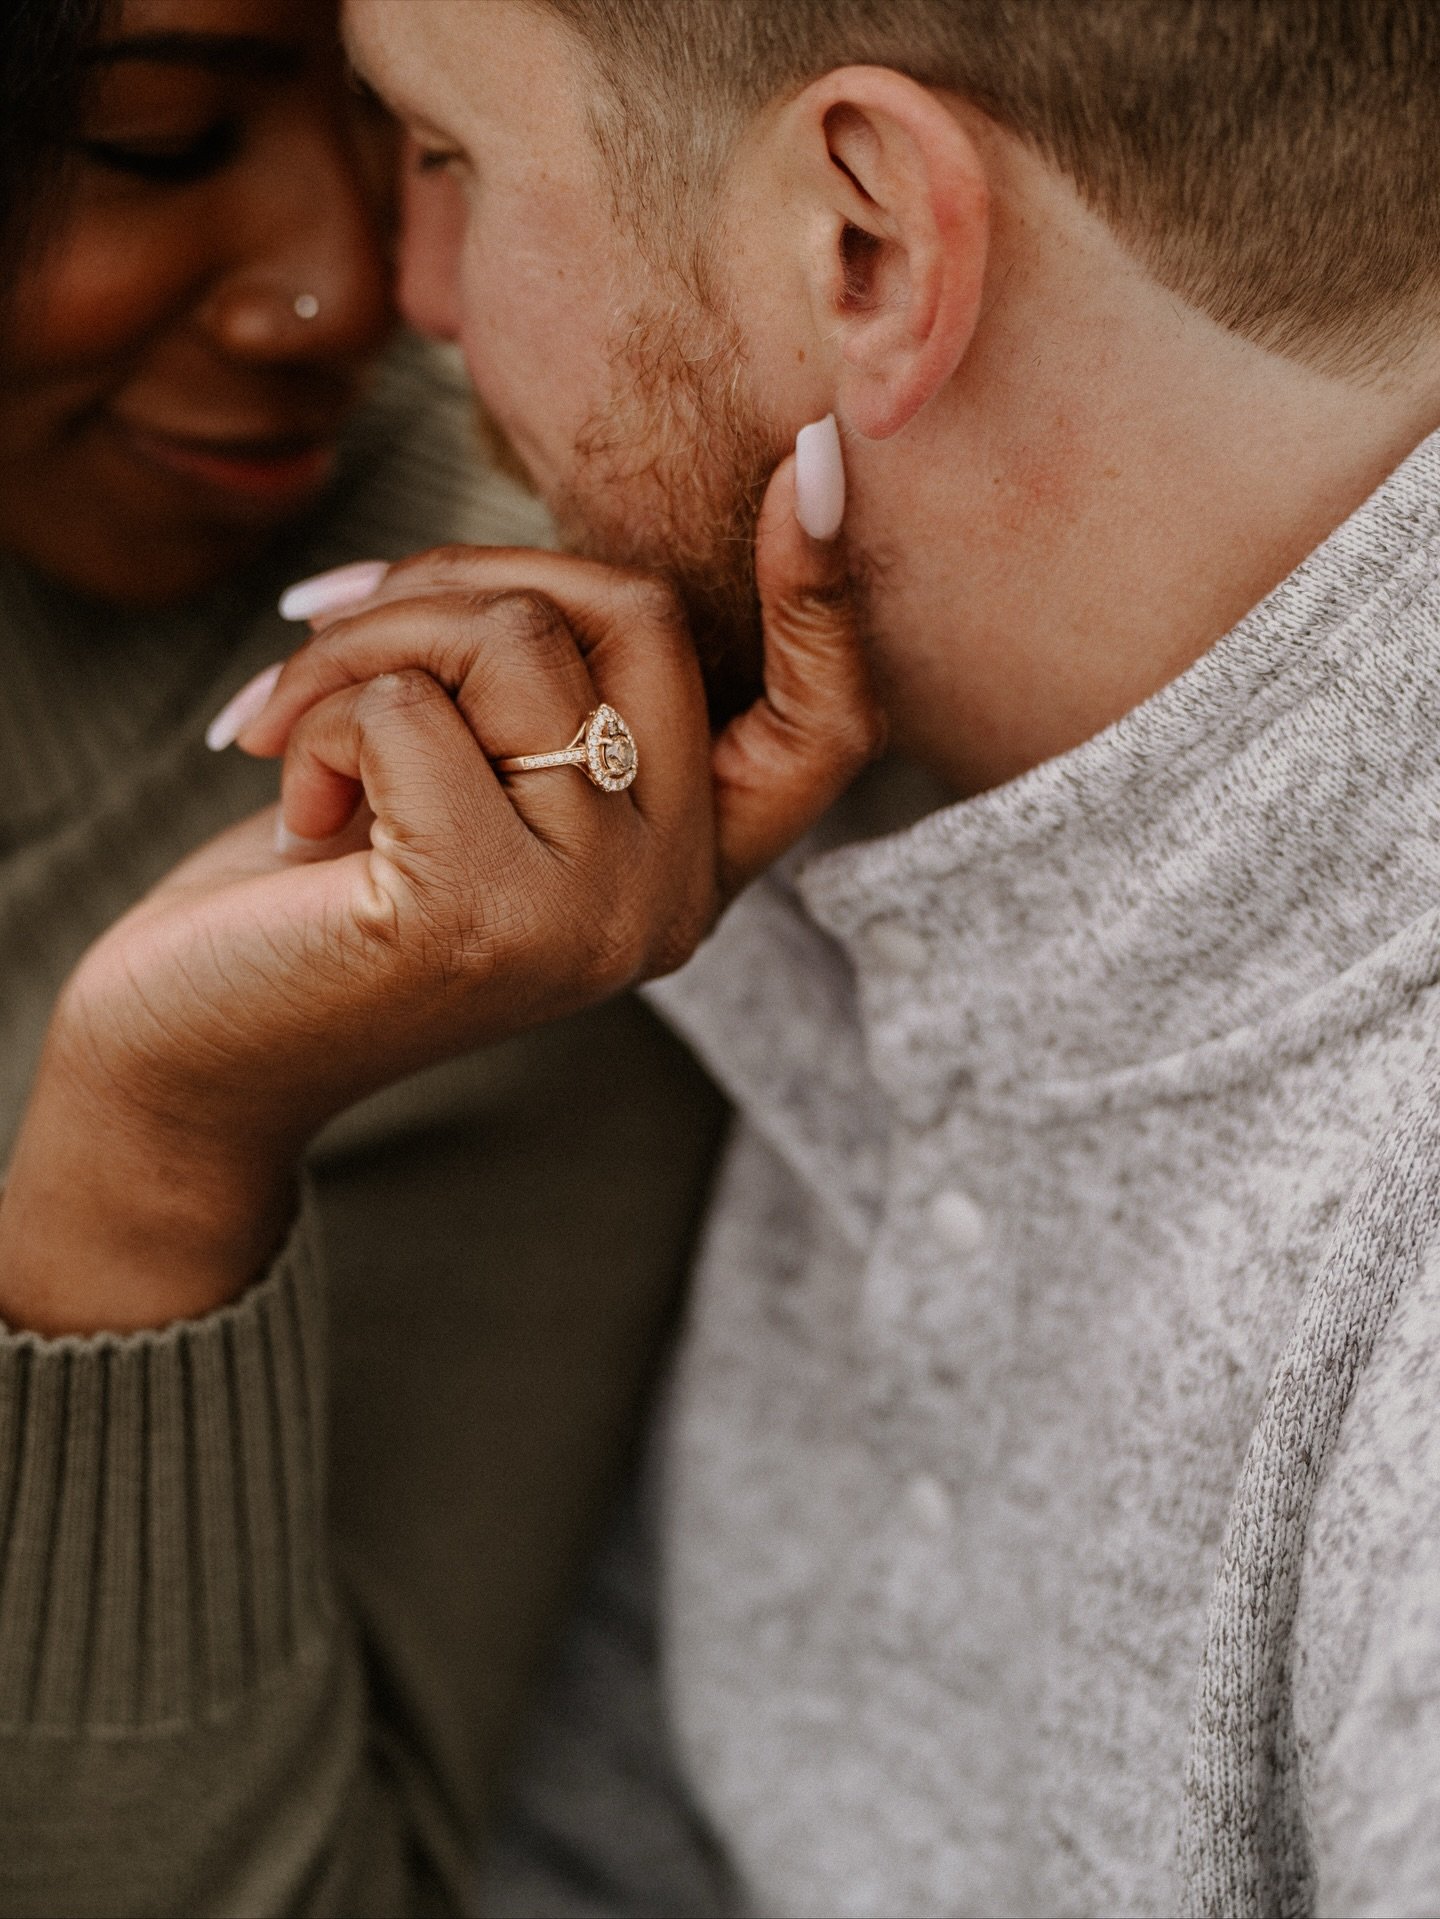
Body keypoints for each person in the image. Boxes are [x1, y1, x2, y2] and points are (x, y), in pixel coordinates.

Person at [285, 3, 1440, 1914]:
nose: (401, 289)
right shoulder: (878, 876)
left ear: (870, 249)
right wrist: (155, 1161)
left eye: (444, 156)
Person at [0, 0, 844, 1911]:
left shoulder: (482, 807)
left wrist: (146, 1168)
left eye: (413, 134)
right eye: (153, 139)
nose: (347, 292)